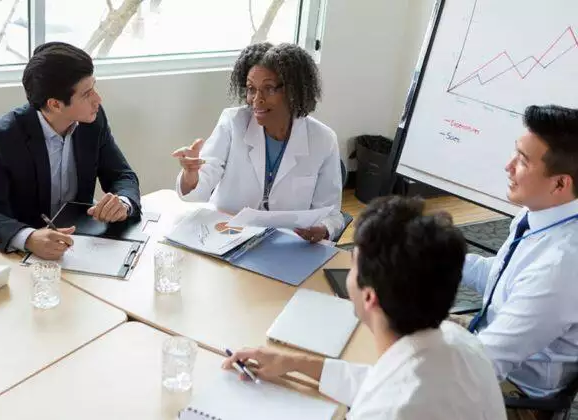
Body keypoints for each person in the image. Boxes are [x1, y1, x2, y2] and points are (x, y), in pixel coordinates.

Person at [224, 196, 505, 419]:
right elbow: (384, 382)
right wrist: (293, 363)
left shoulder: (389, 411)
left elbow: (391, 396)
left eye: (352, 265)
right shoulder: (460, 341)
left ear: (369, 298)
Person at [0, 42, 141, 260]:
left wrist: (123, 202)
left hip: (78, 245)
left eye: (94, 87)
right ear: (55, 105)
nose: (98, 99)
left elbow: (121, 175)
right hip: (22, 255)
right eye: (87, 94)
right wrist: (28, 237)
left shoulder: (92, 122)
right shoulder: (2, 137)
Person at [459, 105, 578, 418]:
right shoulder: (536, 214)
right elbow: (504, 280)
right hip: (487, 344)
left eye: (523, 161)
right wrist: (441, 256)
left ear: (559, 184)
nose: (508, 166)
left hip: (516, 394)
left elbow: (483, 364)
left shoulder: (561, 265)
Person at [172, 42, 343, 242]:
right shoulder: (233, 123)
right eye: (251, 89)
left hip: (284, 244)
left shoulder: (323, 140)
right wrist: (191, 174)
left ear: (294, 90)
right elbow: (198, 191)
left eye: (268, 89)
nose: (256, 99)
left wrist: (323, 229)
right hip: (227, 237)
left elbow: (332, 214)